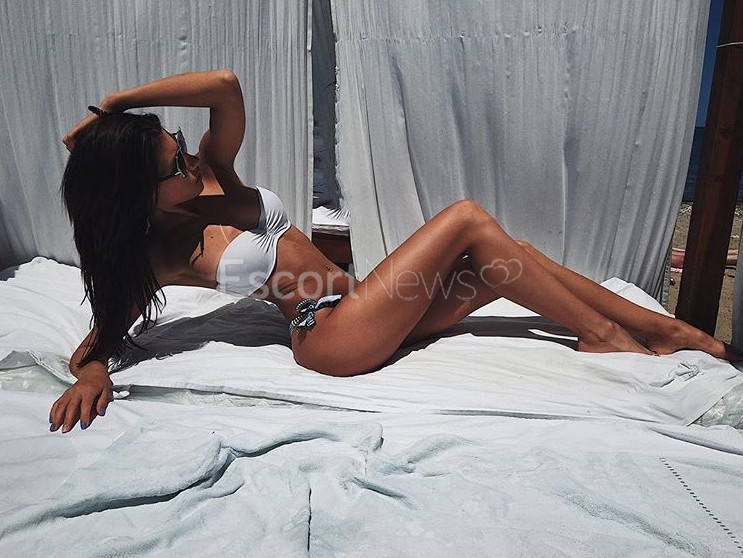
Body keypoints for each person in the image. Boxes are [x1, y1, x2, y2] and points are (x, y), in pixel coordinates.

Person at [49, 70, 737, 434]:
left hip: (368, 304)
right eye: (171, 165)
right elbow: (98, 339)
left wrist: (116, 104)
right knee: (467, 220)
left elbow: (225, 86)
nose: (187, 159)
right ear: (137, 197)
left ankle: (674, 333)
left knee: (507, 259)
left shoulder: (213, 177)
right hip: (329, 337)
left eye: (176, 142)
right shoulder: (160, 254)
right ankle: (607, 336)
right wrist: (91, 374)